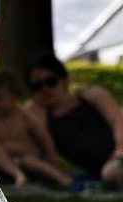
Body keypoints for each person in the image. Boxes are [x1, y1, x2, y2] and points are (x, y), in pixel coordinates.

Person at [25, 54, 123, 189]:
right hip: (102, 169)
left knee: (111, 172)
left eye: (51, 81)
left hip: (117, 156)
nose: (45, 89)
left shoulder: (92, 97)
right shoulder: (43, 117)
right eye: (37, 86)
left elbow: (118, 123)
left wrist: (119, 152)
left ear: (64, 81)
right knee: (109, 173)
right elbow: (47, 150)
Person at [0, 70, 73, 188]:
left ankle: (61, 178)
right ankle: (18, 175)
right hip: (5, 161)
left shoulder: (24, 116)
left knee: (28, 160)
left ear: (14, 99)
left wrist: (52, 158)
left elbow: (44, 138)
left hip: (28, 156)